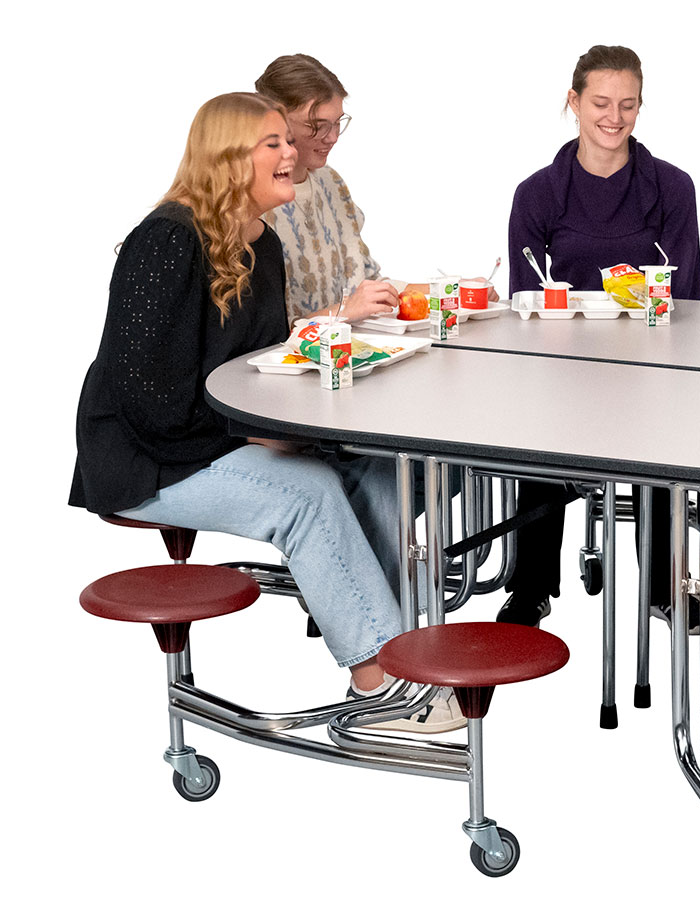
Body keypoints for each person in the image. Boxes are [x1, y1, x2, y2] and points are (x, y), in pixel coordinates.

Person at [70, 92, 461, 732]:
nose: (291, 154)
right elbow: (148, 400)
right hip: (146, 461)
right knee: (306, 494)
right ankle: (381, 681)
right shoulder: (166, 242)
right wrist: (254, 437)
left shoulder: (265, 244)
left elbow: (262, 364)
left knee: (385, 475)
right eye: (272, 143)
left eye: (289, 139)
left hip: (217, 437)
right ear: (228, 161)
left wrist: (285, 422)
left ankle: (390, 645)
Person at [503, 44, 700, 628]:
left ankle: (663, 587)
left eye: (628, 104)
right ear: (574, 102)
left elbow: (683, 297)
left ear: (641, 108)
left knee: (657, 444)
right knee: (538, 439)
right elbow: (526, 299)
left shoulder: (672, 187)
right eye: (600, 103)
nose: (613, 117)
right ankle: (530, 585)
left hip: (648, 365)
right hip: (563, 368)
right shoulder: (536, 194)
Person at [255, 54, 398, 323]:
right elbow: (260, 335)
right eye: (317, 126)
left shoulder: (330, 182)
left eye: (337, 123)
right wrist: (343, 312)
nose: (332, 138)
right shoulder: (251, 203)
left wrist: (451, 289)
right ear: (274, 120)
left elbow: (368, 285)